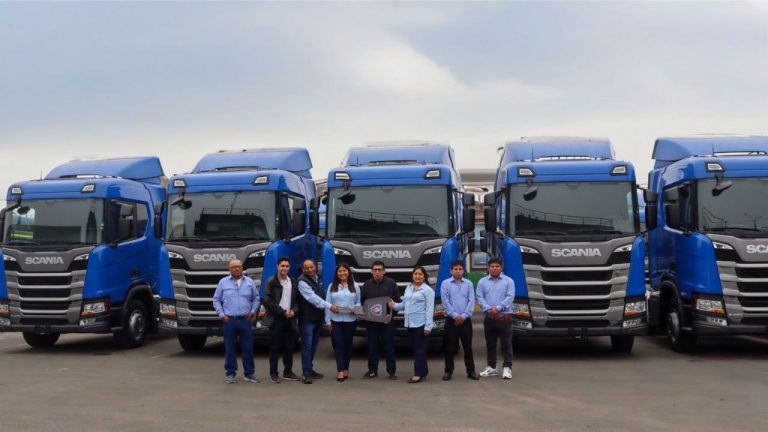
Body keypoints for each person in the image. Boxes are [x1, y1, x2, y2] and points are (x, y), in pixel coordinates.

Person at [212, 259, 260, 384]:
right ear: (229, 269)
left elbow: (256, 298)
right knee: (230, 349)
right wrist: (221, 315)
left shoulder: (249, 282)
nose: (237, 268)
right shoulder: (223, 282)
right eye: (234, 267)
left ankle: (249, 373)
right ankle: (230, 373)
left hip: (245, 320)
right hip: (229, 321)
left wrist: (253, 311)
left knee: (248, 348)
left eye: (239, 266)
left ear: (242, 268)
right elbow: (216, 299)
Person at [297, 258, 339, 384]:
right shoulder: (302, 281)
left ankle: (310, 369)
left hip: (317, 318)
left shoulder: (318, 278)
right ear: (303, 269)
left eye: (311, 267)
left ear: (315, 267)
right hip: (307, 319)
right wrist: (330, 306)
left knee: (313, 345)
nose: (310, 269)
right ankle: (306, 374)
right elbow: (313, 298)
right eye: (307, 268)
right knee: (307, 346)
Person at [389, 266, 434, 384]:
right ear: (412, 276)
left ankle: (418, 374)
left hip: (421, 324)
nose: (417, 276)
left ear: (424, 276)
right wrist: (394, 305)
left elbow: (430, 309)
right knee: (416, 350)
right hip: (409, 324)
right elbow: (404, 304)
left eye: (420, 274)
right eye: (415, 274)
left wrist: (428, 326)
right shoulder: (409, 288)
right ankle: (423, 371)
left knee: (420, 350)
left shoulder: (428, 290)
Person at [475, 257, 515, 380]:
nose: (494, 268)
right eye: (492, 266)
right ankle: (491, 367)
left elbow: (510, 297)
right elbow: (479, 297)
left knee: (506, 345)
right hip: (489, 319)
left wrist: (498, 308)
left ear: (501, 267)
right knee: (490, 345)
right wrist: (488, 308)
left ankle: (507, 368)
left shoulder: (508, 281)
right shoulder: (482, 282)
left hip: (504, 319)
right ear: (488, 268)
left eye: (497, 266)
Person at [263, 256, 300, 383]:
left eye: (287, 266)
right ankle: (273, 373)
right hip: (277, 319)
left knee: (289, 347)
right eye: (282, 266)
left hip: (290, 319)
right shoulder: (271, 281)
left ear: (289, 267)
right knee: (275, 347)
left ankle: (287, 371)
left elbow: (297, 300)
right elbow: (267, 301)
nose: (284, 268)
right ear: (277, 267)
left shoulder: (293, 281)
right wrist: (283, 312)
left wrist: (293, 311)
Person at [361, 260, 400, 380]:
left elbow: (397, 303)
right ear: (371, 271)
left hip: (387, 322)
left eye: (379, 270)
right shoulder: (367, 285)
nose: (377, 272)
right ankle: (372, 370)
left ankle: (392, 371)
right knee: (372, 347)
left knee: (389, 347)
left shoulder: (391, 283)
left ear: (384, 271)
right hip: (371, 323)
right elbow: (363, 302)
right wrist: (365, 314)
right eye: (375, 270)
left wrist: (390, 316)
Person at [440, 260, 479, 381]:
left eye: (460, 269)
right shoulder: (445, 283)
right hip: (451, 321)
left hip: (465, 321)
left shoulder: (468, 284)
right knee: (449, 347)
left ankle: (471, 371)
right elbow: (445, 302)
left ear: (463, 271)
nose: (458, 271)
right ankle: (448, 371)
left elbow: (471, 301)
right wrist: (455, 316)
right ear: (451, 271)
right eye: (455, 269)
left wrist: (464, 316)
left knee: (468, 347)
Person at [324, 262, 361, 382]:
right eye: (340, 271)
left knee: (348, 345)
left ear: (348, 272)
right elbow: (328, 304)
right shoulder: (332, 286)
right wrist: (328, 321)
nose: (342, 273)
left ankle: (346, 368)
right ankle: (340, 370)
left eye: (344, 271)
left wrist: (355, 309)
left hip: (351, 320)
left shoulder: (355, 286)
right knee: (338, 344)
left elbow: (358, 302)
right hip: (336, 321)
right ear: (337, 273)